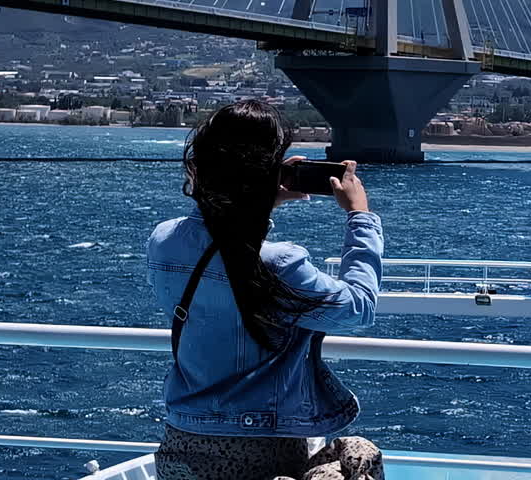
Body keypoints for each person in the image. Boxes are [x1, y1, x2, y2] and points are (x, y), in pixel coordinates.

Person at [147, 100, 385, 480]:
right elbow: (358, 307)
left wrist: (259, 199)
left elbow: (222, 242)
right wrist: (360, 217)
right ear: (267, 175)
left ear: (197, 167)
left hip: (181, 443)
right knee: (359, 455)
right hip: (262, 448)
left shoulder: (163, 240)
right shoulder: (280, 263)